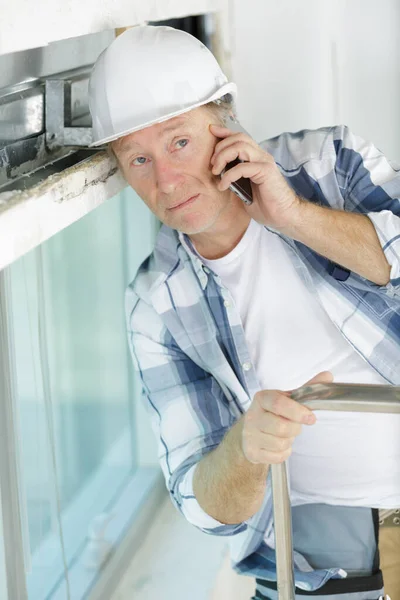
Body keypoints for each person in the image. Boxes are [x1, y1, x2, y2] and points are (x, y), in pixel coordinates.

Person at [89, 25, 400, 600]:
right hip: (323, 561)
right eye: (138, 158)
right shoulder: (156, 304)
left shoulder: (329, 163)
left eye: (178, 142)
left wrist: (293, 217)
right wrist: (244, 447)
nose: (166, 179)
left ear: (223, 120)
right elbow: (205, 506)